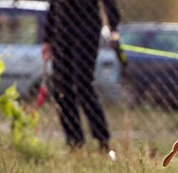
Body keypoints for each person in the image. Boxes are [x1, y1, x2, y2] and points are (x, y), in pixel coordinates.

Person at [42, 0, 121, 154]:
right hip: (61, 31)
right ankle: (74, 143)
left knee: (82, 85)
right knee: (61, 89)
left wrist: (113, 29)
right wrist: (47, 38)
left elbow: (109, 3)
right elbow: (53, 6)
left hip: (86, 30)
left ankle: (102, 141)